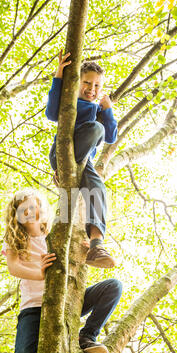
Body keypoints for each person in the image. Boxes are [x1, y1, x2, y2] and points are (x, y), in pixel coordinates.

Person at [2, 188, 123, 353]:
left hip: (67, 301)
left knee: (113, 287)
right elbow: (13, 267)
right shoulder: (17, 239)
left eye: (35, 205)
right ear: (16, 215)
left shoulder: (56, 235)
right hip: (34, 307)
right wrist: (40, 274)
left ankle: (86, 336)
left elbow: (74, 261)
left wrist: (84, 249)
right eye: (25, 209)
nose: (32, 211)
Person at [46, 50, 118, 269]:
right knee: (95, 129)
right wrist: (59, 74)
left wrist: (108, 110)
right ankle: (63, 169)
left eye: (97, 86)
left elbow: (111, 136)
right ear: (76, 83)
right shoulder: (69, 100)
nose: (92, 89)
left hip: (84, 162)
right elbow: (51, 112)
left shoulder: (98, 110)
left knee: (99, 189)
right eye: (87, 83)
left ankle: (96, 245)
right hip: (61, 153)